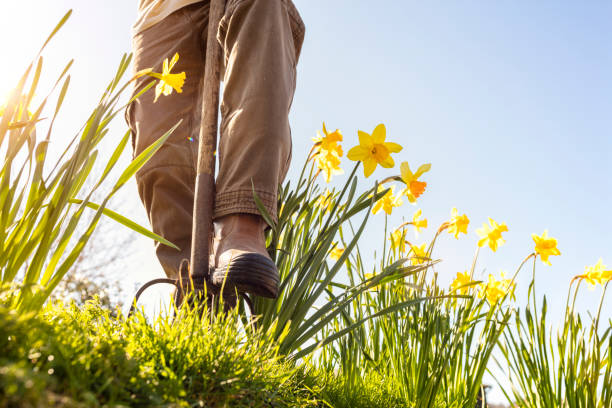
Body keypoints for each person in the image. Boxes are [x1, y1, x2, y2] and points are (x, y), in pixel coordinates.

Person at [125, 0, 305, 301]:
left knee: (259, 75)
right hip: (163, 9)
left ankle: (241, 226)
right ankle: (196, 295)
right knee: (158, 146)